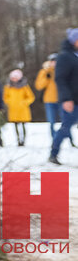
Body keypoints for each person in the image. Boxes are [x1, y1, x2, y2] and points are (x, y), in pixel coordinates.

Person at [50, 28, 78, 165]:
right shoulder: (64, 57)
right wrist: (66, 99)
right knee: (66, 127)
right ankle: (53, 153)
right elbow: (60, 79)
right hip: (71, 100)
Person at [35, 54, 74, 144]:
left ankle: (70, 139)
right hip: (49, 101)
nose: (54, 64)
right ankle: (54, 140)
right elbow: (39, 86)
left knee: (66, 121)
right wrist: (46, 77)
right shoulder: (44, 72)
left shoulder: (63, 71)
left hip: (62, 100)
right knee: (52, 122)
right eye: (52, 61)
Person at [3, 69, 34, 146]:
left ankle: (23, 140)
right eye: (13, 77)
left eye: (16, 77)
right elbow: (5, 97)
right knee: (15, 125)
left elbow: (31, 97)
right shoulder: (8, 87)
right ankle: (18, 140)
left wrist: (24, 103)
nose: (14, 79)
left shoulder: (24, 87)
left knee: (23, 125)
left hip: (23, 109)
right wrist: (9, 102)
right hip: (13, 109)